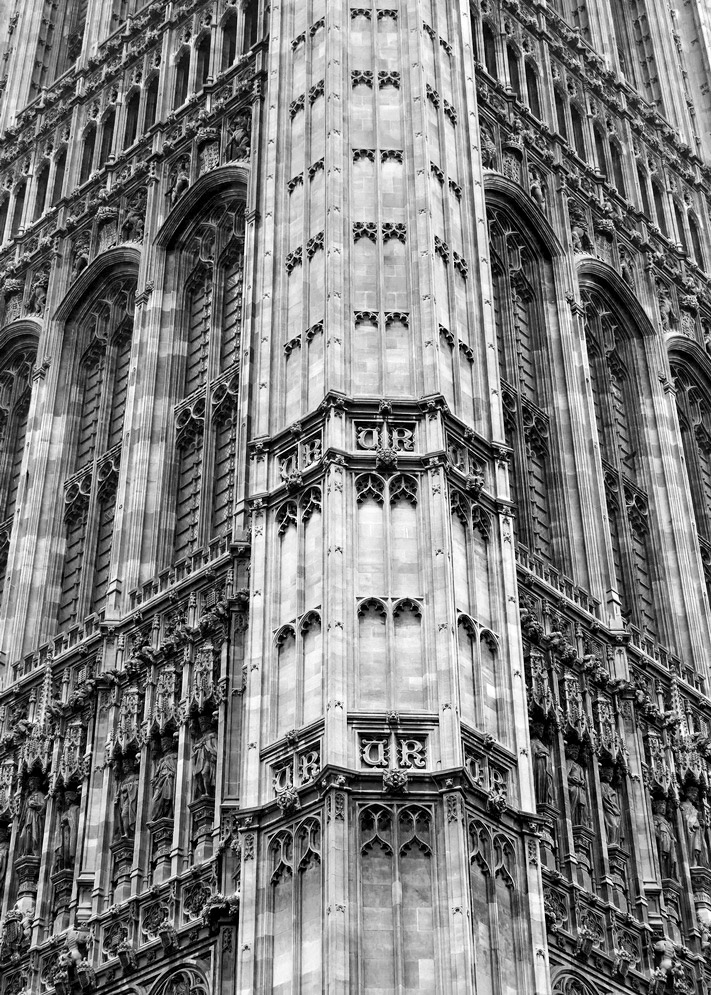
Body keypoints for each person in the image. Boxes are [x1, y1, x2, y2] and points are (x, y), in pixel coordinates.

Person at [150, 735, 178, 820]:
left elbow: (175, 769)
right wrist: (154, 779)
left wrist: (171, 774)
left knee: (167, 799)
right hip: (160, 782)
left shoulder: (174, 756)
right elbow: (156, 774)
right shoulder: (161, 760)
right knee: (155, 801)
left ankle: (169, 815)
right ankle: (157, 818)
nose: (164, 745)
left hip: (168, 779)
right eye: (162, 744)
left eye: (166, 743)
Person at [18, 777, 47, 857]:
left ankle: (34, 852)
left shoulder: (40, 795)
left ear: (36, 785)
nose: (30, 786)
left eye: (32, 784)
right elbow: (24, 811)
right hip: (28, 819)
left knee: (34, 836)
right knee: (22, 836)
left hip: (35, 818)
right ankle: (25, 852)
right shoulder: (28, 797)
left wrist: (35, 805)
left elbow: (44, 806)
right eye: (30, 785)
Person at [192, 714, 218, 799]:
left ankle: (208, 792)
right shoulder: (201, 739)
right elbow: (194, 748)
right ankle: (203, 792)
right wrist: (198, 747)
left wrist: (213, 754)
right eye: (201, 725)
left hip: (208, 759)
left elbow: (215, 747)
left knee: (204, 773)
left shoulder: (212, 735)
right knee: (198, 776)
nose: (202, 727)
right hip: (201, 760)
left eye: (203, 725)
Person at [113, 756, 139, 840]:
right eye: (123, 767)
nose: (124, 768)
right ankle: (125, 832)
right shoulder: (123, 781)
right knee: (122, 815)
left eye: (126, 766)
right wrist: (117, 797)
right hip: (123, 801)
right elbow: (118, 792)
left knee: (125, 814)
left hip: (130, 799)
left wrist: (127, 787)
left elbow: (137, 786)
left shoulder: (135, 776)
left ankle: (128, 833)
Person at [653, 798, 679, 879]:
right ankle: (663, 874)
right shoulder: (655, 817)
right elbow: (653, 828)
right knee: (663, 858)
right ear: (657, 808)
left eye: (664, 808)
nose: (663, 809)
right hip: (662, 840)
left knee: (670, 859)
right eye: (661, 807)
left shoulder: (666, 821)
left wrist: (673, 838)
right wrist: (659, 837)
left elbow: (671, 833)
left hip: (668, 841)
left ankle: (669, 875)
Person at [530, 723, 554, 807]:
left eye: (542, 730)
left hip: (544, 768)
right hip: (538, 766)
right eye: (540, 729)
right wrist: (540, 753)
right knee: (539, 784)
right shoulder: (532, 742)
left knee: (544, 785)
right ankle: (538, 801)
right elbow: (533, 754)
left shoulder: (540, 743)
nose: (541, 731)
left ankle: (543, 800)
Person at [566, 742, 589, 827]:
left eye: (577, 754)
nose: (575, 755)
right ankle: (572, 820)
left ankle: (579, 822)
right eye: (574, 753)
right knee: (573, 799)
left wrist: (582, 782)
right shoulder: (568, 762)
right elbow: (565, 774)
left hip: (579, 788)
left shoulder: (579, 766)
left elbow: (583, 780)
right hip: (572, 787)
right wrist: (571, 779)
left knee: (582, 807)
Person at [600, 766, 622, 845]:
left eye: (611, 775)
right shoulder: (602, 785)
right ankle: (611, 842)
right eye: (609, 774)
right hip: (608, 808)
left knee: (615, 825)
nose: (610, 777)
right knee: (612, 824)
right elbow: (603, 796)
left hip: (614, 810)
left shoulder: (610, 787)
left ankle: (613, 842)